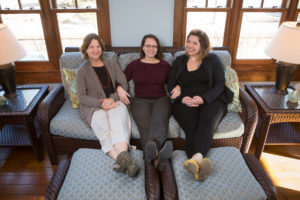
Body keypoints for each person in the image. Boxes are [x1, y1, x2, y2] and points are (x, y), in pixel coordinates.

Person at [167, 29, 233, 181]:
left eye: (194, 43)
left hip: (211, 100)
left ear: (202, 46)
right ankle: (199, 163)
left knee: (206, 123)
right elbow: (170, 85)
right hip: (184, 101)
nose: (189, 45)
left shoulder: (212, 60)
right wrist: (181, 97)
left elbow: (219, 85)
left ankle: (195, 160)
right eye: (188, 41)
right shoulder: (179, 61)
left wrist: (203, 99)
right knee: (192, 128)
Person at [76, 33, 139, 177]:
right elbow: (82, 97)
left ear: (101, 48)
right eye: (91, 47)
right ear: (85, 50)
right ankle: (125, 161)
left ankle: (121, 157)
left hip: (114, 101)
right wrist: (101, 103)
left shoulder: (111, 63)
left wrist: (113, 97)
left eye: (98, 46)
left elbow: (123, 84)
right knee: (102, 126)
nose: (95, 50)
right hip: (92, 106)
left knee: (118, 122)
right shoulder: (82, 71)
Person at [117, 34, 173, 171]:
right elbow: (120, 80)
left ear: (157, 48)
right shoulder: (134, 65)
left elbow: (173, 82)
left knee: (158, 121)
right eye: (148, 45)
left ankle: (148, 158)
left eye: (154, 46)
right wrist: (119, 88)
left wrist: (178, 86)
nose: (151, 48)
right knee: (146, 126)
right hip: (140, 101)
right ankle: (158, 157)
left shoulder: (164, 65)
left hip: (161, 100)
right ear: (143, 47)